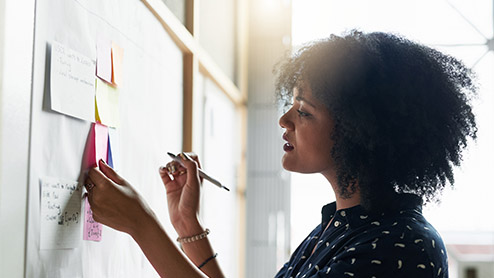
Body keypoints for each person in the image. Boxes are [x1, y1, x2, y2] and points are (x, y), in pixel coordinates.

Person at [85, 30, 477, 278]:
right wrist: (188, 226)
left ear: (361, 132)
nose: (284, 120)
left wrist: (142, 225)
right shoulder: (342, 226)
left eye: (304, 111)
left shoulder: (402, 247)